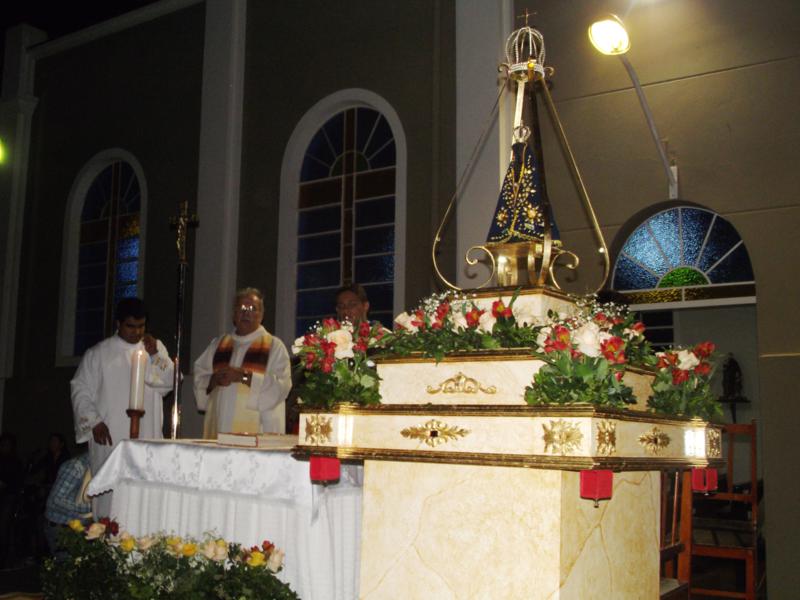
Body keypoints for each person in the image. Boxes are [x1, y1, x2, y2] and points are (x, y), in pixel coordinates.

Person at [70, 298, 173, 516]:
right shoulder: (98, 353)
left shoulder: (154, 349)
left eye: (141, 326)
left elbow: (170, 382)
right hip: (111, 437)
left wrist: (155, 355)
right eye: (130, 326)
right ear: (118, 323)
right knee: (112, 501)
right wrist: (94, 422)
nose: (137, 332)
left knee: (145, 501)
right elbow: (80, 389)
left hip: (147, 436)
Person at [193, 288, 292, 437]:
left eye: (252, 308)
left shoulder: (273, 346)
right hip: (219, 426)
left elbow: (282, 386)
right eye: (241, 308)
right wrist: (214, 380)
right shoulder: (219, 344)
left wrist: (244, 376)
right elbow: (200, 378)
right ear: (234, 314)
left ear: (262, 315)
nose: (246, 313)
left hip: (258, 429)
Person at [43, 453, 92, 555]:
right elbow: (56, 500)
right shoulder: (76, 466)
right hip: (61, 529)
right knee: (65, 567)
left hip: (74, 527)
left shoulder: (95, 466)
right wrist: (93, 508)